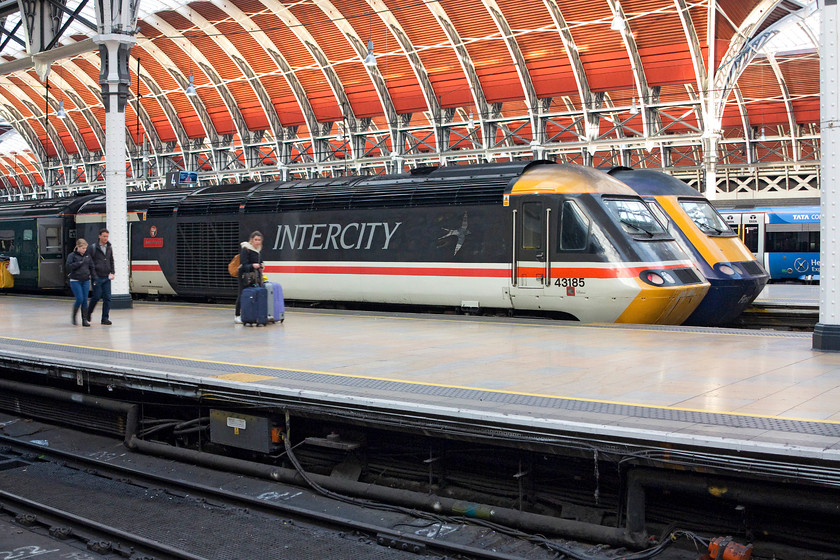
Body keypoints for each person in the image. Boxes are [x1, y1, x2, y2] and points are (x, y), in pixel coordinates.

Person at [86, 228, 115, 325]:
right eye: (104, 236)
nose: (106, 238)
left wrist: (112, 272)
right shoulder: (93, 248)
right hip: (97, 276)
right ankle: (88, 312)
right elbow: (89, 262)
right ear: (99, 236)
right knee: (97, 296)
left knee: (107, 297)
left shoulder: (109, 248)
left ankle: (105, 318)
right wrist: (93, 274)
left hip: (107, 276)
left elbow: (111, 260)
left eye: (107, 236)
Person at [234, 231, 265, 324]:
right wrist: (253, 265)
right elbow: (243, 264)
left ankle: (249, 314)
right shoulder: (246, 249)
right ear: (251, 240)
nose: (257, 242)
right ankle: (237, 315)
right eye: (255, 240)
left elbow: (260, 261)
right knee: (242, 293)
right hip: (245, 275)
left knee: (253, 294)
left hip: (254, 275)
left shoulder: (258, 250)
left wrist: (261, 265)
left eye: (259, 240)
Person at [66, 238, 94, 327]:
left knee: (85, 300)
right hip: (75, 280)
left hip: (85, 280)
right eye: (82, 248)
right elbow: (68, 266)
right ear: (78, 247)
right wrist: (78, 263)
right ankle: (74, 316)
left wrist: (94, 276)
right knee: (79, 299)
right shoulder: (72, 255)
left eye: (85, 248)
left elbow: (91, 266)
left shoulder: (87, 256)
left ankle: (84, 320)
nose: (84, 250)